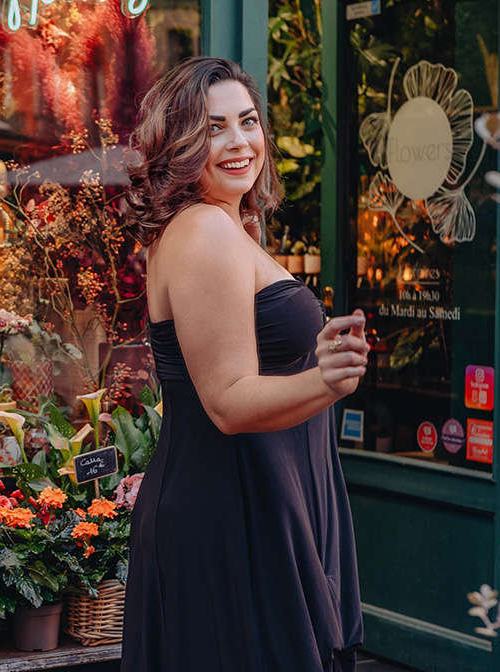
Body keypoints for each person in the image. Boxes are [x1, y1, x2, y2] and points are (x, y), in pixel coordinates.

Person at [121, 57, 366, 672]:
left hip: (258, 499)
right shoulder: (204, 230)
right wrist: (324, 378)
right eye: (214, 128)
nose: (239, 143)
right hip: (231, 515)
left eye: (248, 122)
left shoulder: (229, 225)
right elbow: (229, 402)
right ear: (180, 145)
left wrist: (320, 364)